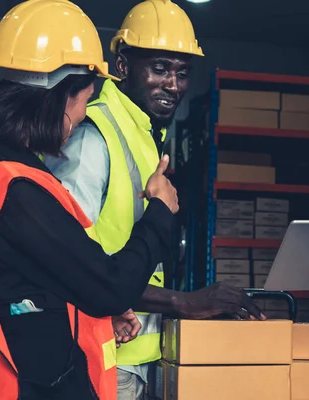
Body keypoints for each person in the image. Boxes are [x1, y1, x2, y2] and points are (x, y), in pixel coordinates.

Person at [0, 0, 182, 398]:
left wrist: (83, 315)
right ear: (57, 98)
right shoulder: (18, 190)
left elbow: (20, 287)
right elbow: (110, 287)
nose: (81, 116)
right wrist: (160, 212)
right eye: (83, 101)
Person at [43, 0, 265, 397]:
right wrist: (185, 302)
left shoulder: (143, 137)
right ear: (124, 66)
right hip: (99, 359)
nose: (174, 85)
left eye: (182, 73)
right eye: (160, 68)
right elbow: (68, 266)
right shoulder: (92, 138)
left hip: (136, 357)